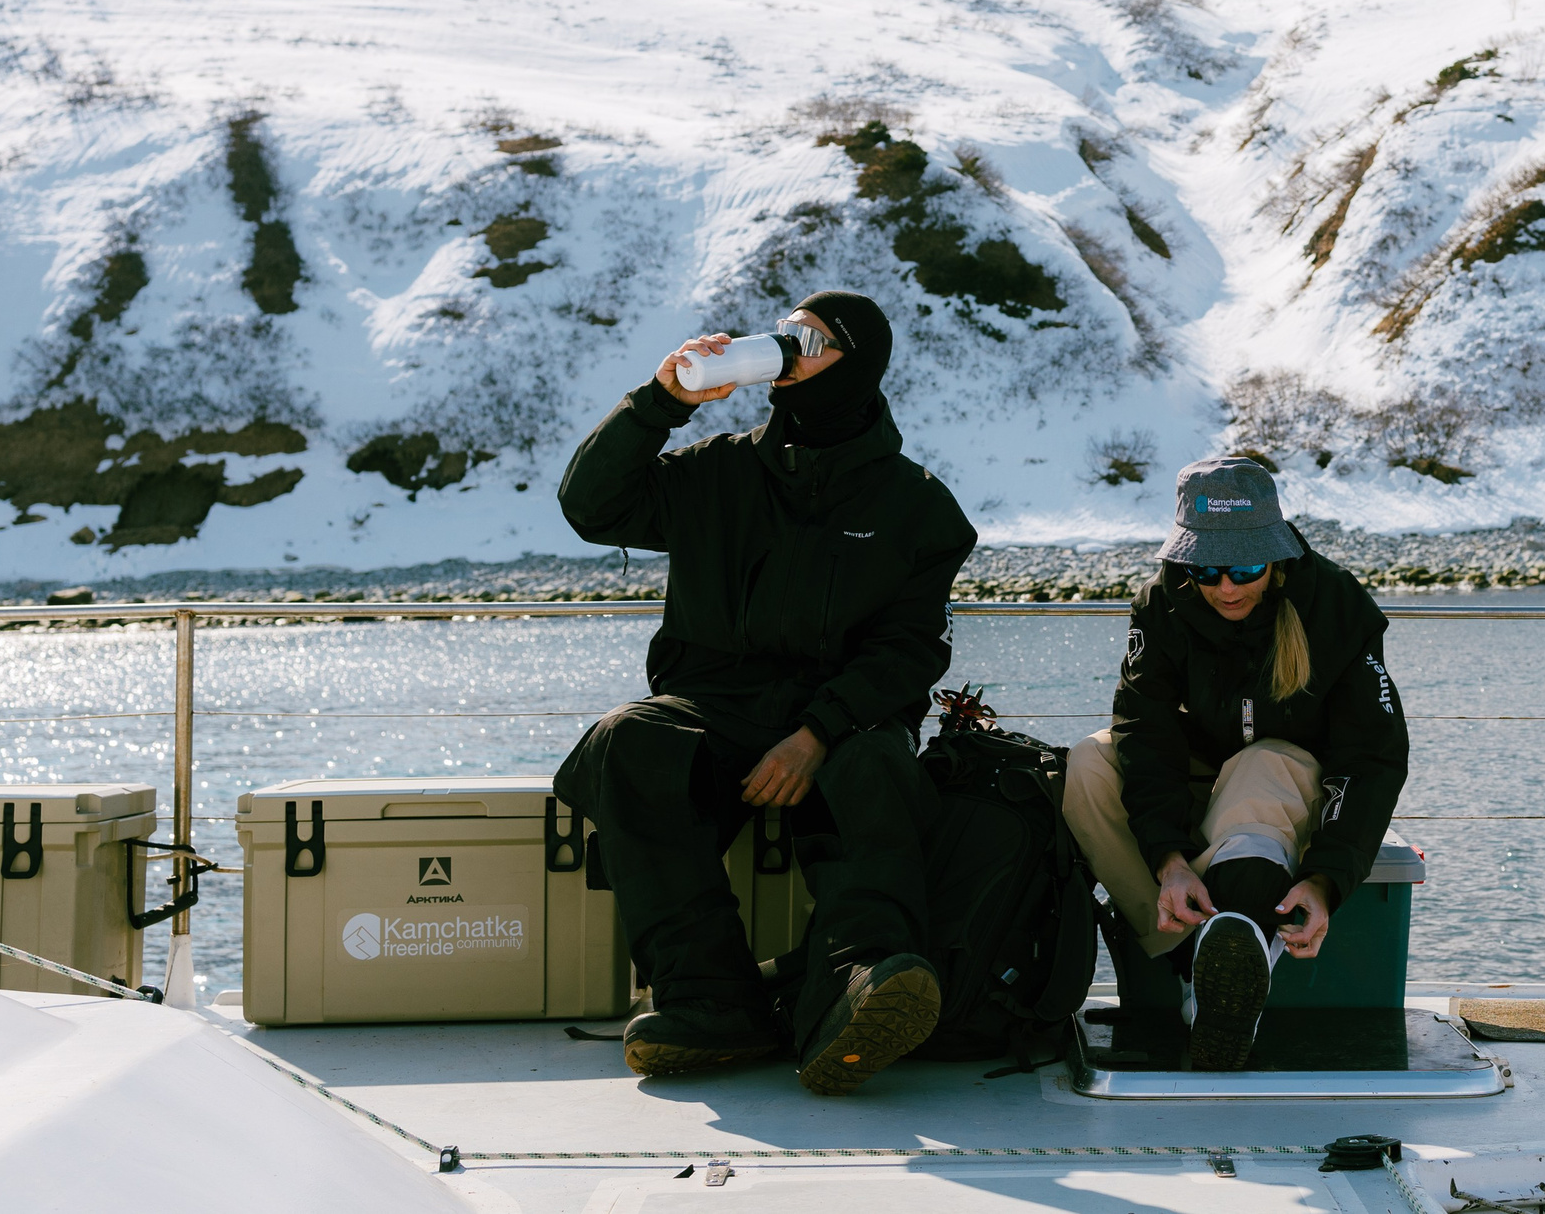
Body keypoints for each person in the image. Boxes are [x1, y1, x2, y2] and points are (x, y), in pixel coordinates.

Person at [550, 291, 976, 1096]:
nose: (787, 347)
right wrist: (662, 401)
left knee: (875, 768)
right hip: (715, 707)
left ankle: (854, 991)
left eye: (811, 340)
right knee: (629, 739)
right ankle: (710, 1002)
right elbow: (590, 506)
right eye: (785, 332)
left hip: (844, 717)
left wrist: (817, 730)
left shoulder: (917, 505)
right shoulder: (716, 471)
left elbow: (910, 648)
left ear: (856, 367)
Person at [1061, 456, 1408, 1070]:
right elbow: (1144, 731)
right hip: (1199, 780)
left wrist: (1326, 880)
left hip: (1288, 790)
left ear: (1276, 556)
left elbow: (1373, 754)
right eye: (1207, 569)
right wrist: (1169, 860)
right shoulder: (1160, 605)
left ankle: (1235, 956)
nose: (1226, 587)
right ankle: (1197, 961)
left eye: (1246, 568)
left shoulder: (1335, 605)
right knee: (1089, 763)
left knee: (1262, 761)